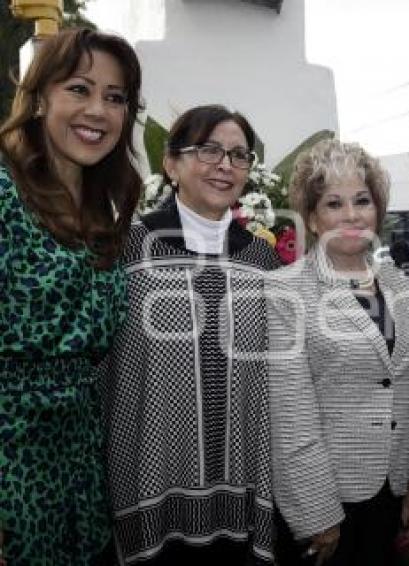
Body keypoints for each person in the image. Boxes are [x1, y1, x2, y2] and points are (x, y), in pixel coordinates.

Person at [98, 105, 282, 564]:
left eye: (239, 155)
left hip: (240, 486)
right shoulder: (128, 245)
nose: (225, 165)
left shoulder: (261, 258)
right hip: (148, 475)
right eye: (209, 150)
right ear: (172, 163)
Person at [0, 28, 143, 565]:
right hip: (11, 467)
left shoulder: (101, 208)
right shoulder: (3, 192)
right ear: (40, 97)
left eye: (115, 97)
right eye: (79, 89)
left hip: (81, 470)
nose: (99, 111)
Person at [266, 139, 409, 566]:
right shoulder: (286, 290)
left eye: (362, 201)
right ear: (311, 216)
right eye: (333, 203)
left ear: (378, 210)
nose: (351, 215)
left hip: (392, 497)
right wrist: (317, 513)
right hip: (328, 502)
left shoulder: (404, 287)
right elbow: (291, 416)